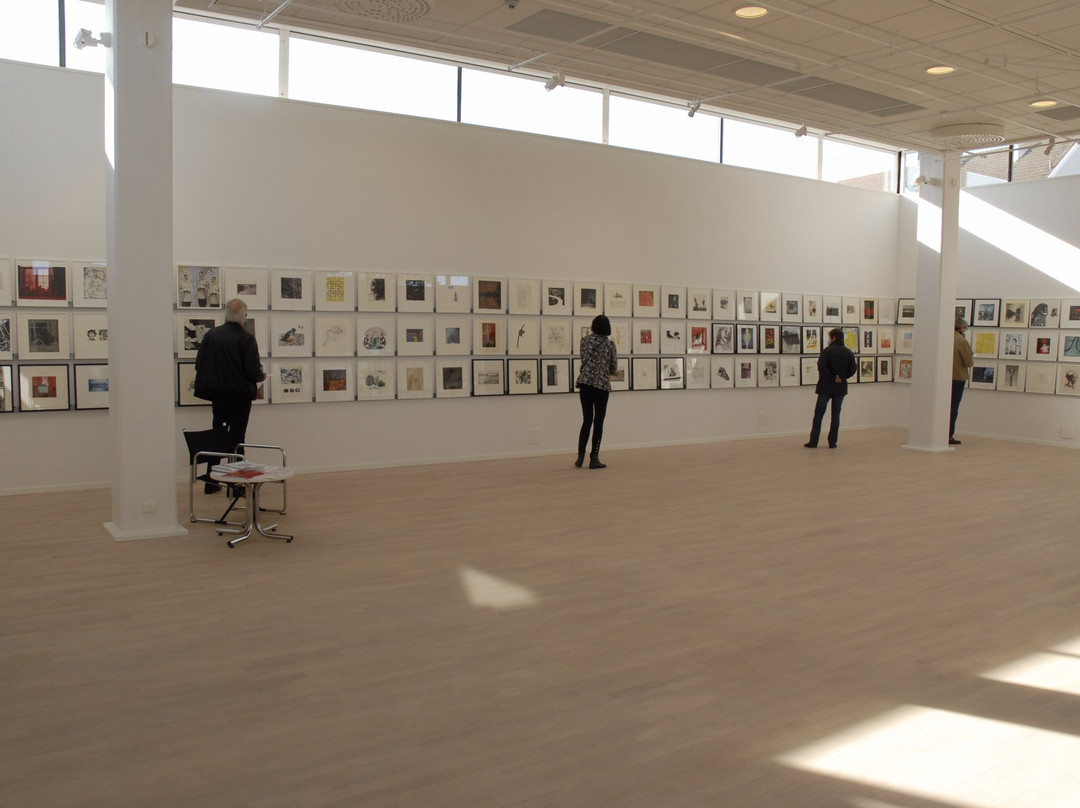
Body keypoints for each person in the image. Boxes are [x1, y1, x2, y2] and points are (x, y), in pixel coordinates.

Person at [195, 298, 265, 492]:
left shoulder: (211, 335)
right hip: (240, 396)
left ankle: (211, 481)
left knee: (217, 433)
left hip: (217, 395)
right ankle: (235, 483)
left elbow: (199, 363)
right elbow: (252, 371)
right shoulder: (246, 338)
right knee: (237, 437)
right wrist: (261, 376)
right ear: (243, 316)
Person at [574, 314, 618, 469]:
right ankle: (594, 458)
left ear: (593, 326)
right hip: (601, 386)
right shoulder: (610, 345)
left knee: (586, 420)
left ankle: (580, 456)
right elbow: (613, 368)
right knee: (598, 422)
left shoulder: (584, 341)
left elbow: (583, 360)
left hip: (585, 384)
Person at [805, 327, 857, 449]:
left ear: (833, 337)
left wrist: (833, 377)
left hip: (826, 386)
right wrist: (841, 378)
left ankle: (814, 441)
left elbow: (821, 367)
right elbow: (853, 369)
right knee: (836, 415)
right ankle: (832, 442)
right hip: (840, 387)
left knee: (819, 414)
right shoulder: (848, 352)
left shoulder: (827, 351)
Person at [950, 317, 974, 445]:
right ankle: (949, 435)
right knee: (953, 408)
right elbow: (969, 362)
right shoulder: (961, 341)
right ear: (961, 328)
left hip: (945, 378)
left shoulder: (944, 338)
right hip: (958, 377)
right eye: (965, 327)